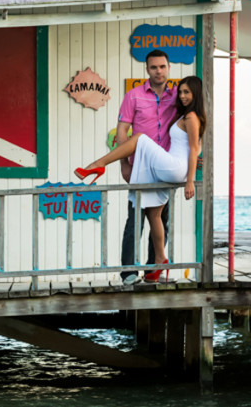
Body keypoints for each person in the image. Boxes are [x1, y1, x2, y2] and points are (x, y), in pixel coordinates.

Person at [75, 75, 206, 283]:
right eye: (180, 91)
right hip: (172, 166)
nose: (182, 96)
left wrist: (190, 180)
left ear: (196, 94)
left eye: (187, 92)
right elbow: (196, 148)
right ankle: (160, 260)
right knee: (154, 214)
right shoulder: (187, 115)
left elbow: (192, 150)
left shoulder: (191, 118)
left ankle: (98, 165)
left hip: (175, 167)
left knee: (139, 138)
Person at [112, 50, 177, 284]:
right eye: (153, 67)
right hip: (140, 166)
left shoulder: (178, 95)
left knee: (162, 221)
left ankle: (152, 271)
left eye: (162, 66)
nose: (158, 71)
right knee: (135, 220)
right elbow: (122, 131)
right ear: (147, 69)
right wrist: (124, 164)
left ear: (169, 67)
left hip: (166, 166)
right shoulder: (134, 96)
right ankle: (128, 273)